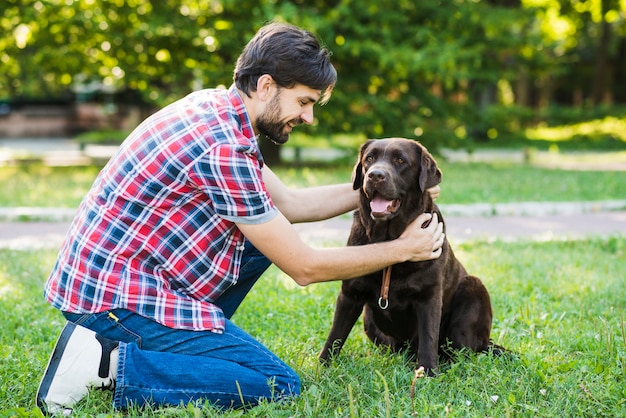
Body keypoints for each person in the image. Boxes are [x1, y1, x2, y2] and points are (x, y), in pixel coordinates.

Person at [36, 22, 444, 414]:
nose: (308, 117)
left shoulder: (215, 108)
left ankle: (171, 340)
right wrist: (402, 249)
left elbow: (290, 204)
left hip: (119, 283)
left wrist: (386, 186)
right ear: (266, 85)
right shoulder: (224, 148)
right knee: (276, 383)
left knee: (265, 234)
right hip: (114, 304)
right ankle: (105, 364)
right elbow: (303, 267)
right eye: (303, 102)